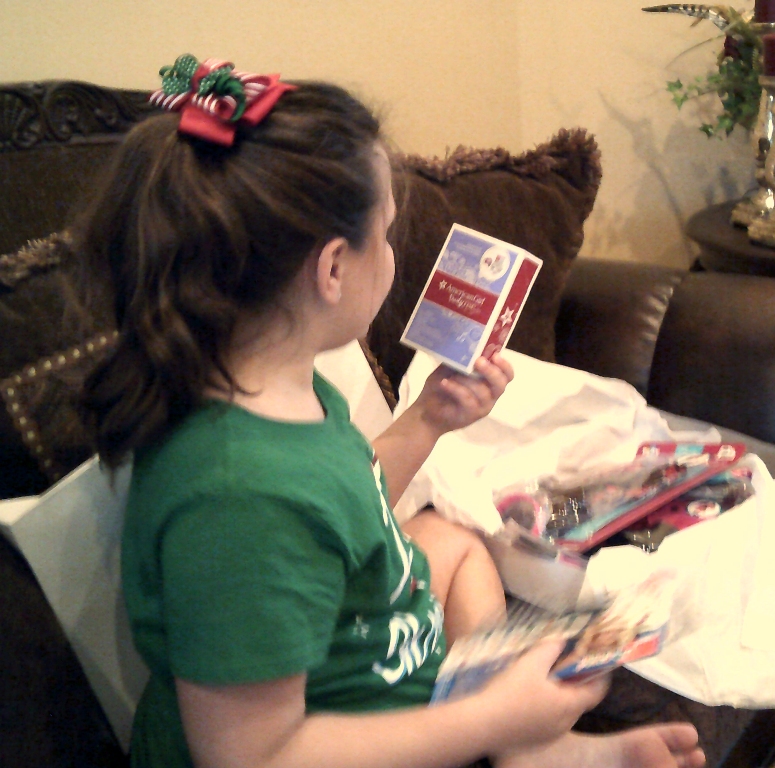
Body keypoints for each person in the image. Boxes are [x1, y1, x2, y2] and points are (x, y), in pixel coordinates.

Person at [77, 55, 706, 768]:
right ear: (332, 268)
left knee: (455, 539)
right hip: (328, 742)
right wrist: (489, 717)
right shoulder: (235, 497)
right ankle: (512, 738)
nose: (391, 254)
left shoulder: (277, 388)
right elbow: (255, 754)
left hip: (372, 648)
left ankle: (525, 750)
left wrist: (428, 420)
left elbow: (343, 499)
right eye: (384, 234)